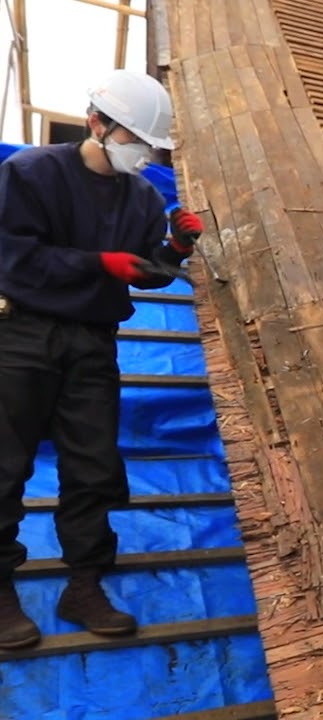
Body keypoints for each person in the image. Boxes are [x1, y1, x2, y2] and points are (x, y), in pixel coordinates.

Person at [0, 70, 204, 649]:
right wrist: (97, 264)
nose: (143, 154)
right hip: (21, 332)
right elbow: (13, 257)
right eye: (134, 140)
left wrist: (175, 249)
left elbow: (149, 270)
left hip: (92, 341)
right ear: (97, 123)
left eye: (149, 146)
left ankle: (83, 583)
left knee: (93, 466)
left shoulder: (141, 197)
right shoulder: (30, 173)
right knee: (5, 462)